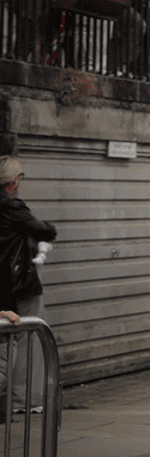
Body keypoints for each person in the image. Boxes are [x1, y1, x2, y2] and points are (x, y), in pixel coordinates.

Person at [0, 156, 58, 411]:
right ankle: (24, 400)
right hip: (18, 283)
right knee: (28, 338)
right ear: (13, 182)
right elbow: (45, 230)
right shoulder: (12, 208)